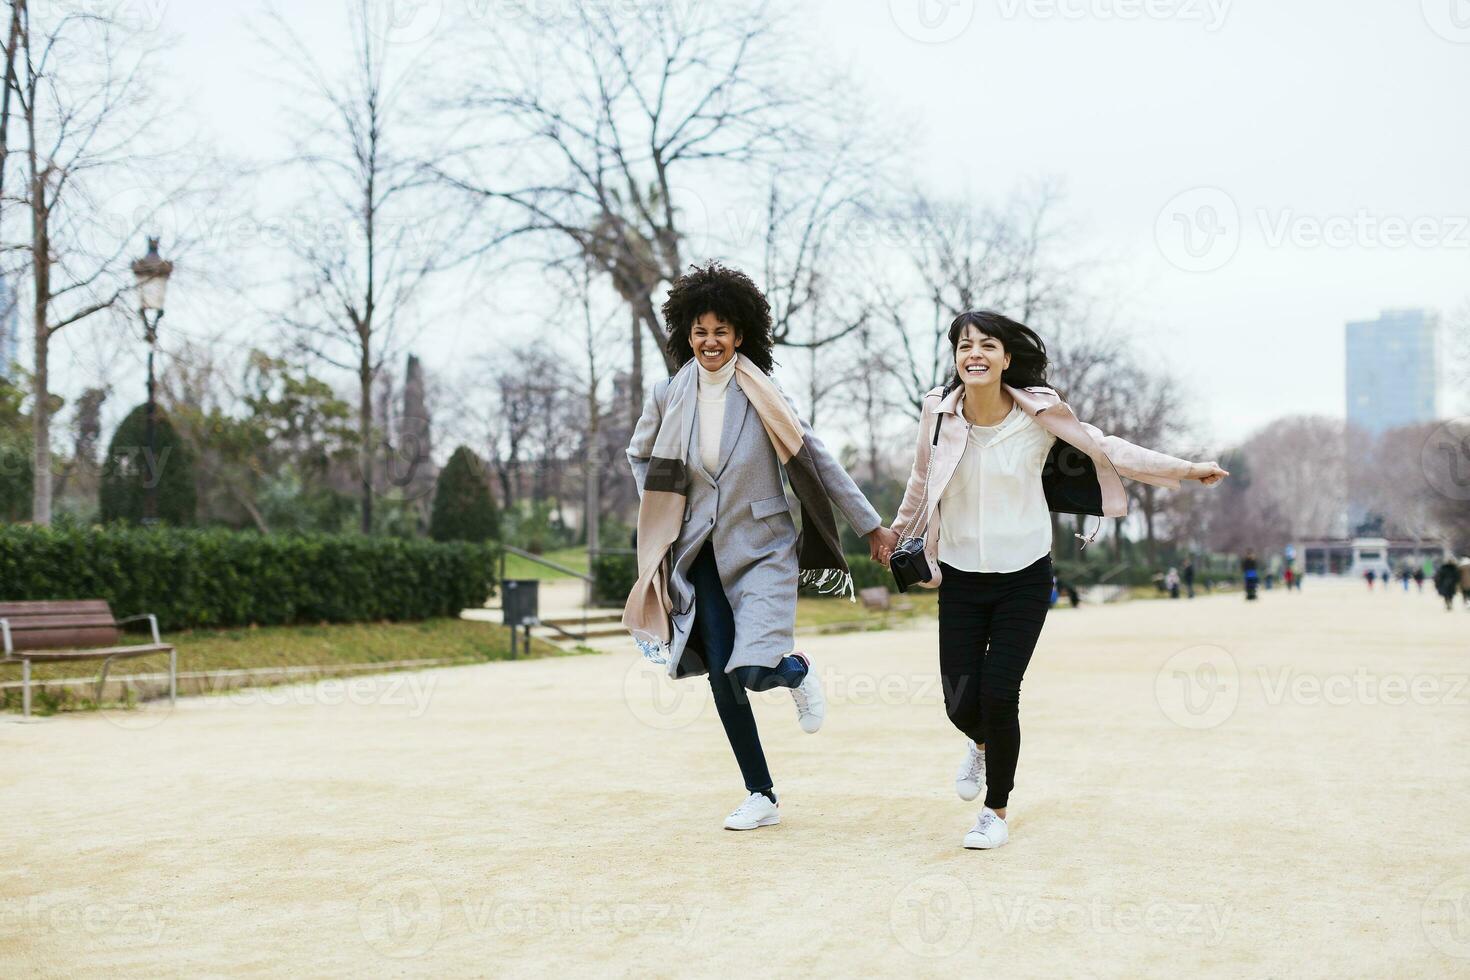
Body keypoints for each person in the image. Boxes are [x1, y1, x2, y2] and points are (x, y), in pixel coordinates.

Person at [876, 310, 1227, 850]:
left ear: (1006, 359)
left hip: (1025, 578)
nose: (975, 354)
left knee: (999, 694)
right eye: (965, 345)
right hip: (963, 579)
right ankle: (981, 745)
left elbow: (1109, 449)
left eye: (987, 345)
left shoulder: (1038, 415)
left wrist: (1183, 468)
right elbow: (922, 480)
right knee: (958, 700)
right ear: (955, 359)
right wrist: (896, 533)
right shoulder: (939, 416)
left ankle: (995, 811)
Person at [623, 262, 896, 832]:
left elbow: (815, 459)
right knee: (723, 674)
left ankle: (795, 670)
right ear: (685, 336)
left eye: (721, 331)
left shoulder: (766, 395)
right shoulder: (668, 394)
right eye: (700, 332)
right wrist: (663, 505)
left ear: (740, 333)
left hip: (764, 549)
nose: (710, 342)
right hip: (696, 551)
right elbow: (640, 455)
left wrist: (870, 525)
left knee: (753, 669)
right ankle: (761, 793)